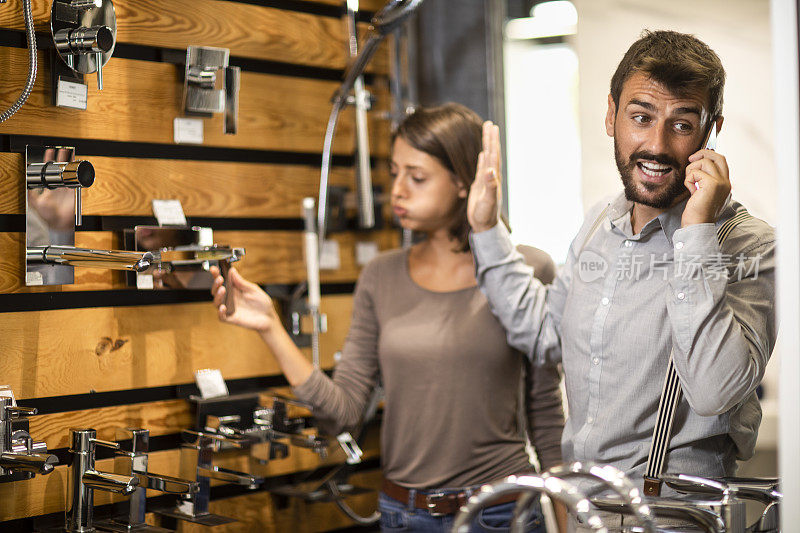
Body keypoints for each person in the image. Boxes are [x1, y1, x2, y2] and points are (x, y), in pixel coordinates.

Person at [466, 30, 776, 528]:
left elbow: (716, 391)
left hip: (671, 517)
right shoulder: (598, 223)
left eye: (682, 124)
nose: (656, 144)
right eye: (641, 117)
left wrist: (696, 231)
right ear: (611, 115)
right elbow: (546, 335)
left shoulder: (749, 244)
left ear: (710, 133)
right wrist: (485, 229)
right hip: (584, 510)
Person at [210, 103, 565, 532]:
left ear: (460, 182)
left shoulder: (527, 269)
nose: (397, 190)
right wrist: (270, 327)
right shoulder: (382, 275)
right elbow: (342, 411)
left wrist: (569, 522)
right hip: (403, 514)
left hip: (498, 512)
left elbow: (546, 417)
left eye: (416, 177)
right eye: (394, 173)